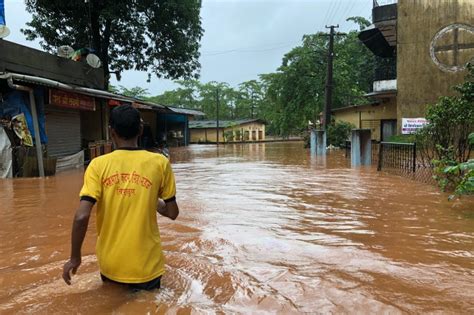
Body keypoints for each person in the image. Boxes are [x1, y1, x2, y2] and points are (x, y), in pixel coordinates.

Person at [62, 104, 179, 291]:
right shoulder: (160, 163)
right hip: (147, 264)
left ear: (111, 132)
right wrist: (151, 200)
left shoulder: (97, 165)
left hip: (111, 264)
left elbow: (81, 216)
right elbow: (173, 213)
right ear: (140, 129)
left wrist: (75, 257)